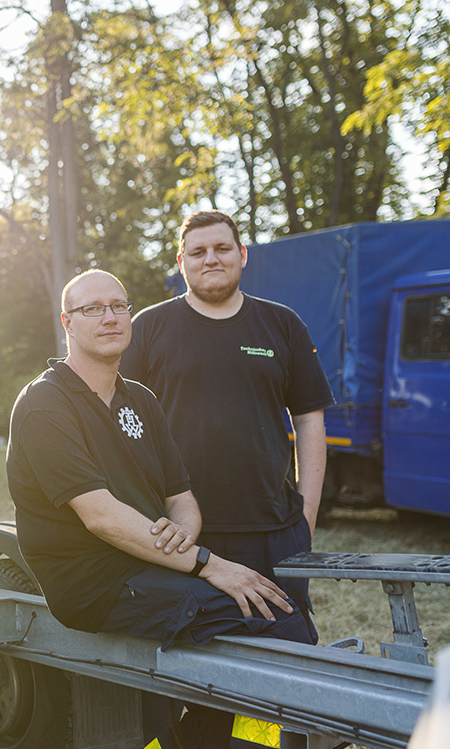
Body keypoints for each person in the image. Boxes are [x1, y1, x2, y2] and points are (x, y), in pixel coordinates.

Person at [8, 270, 320, 749]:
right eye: (92, 309)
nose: (110, 317)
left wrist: (184, 533)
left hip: (152, 564)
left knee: (283, 617)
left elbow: (182, 499)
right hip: (95, 583)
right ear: (66, 322)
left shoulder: (141, 401)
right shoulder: (45, 402)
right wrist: (209, 564)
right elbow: (101, 516)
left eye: (118, 305)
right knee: (276, 622)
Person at [121, 211, 334, 626]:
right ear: (181, 263)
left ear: (242, 255)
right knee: (194, 659)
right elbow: (120, 424)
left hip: (273, 530)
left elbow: (310, 420)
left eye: (222, 248)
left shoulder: (283, 325)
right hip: (181, 531)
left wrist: (305, 518)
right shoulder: (147, 328)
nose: (211, 259)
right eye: (197, 252)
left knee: (285, 649)